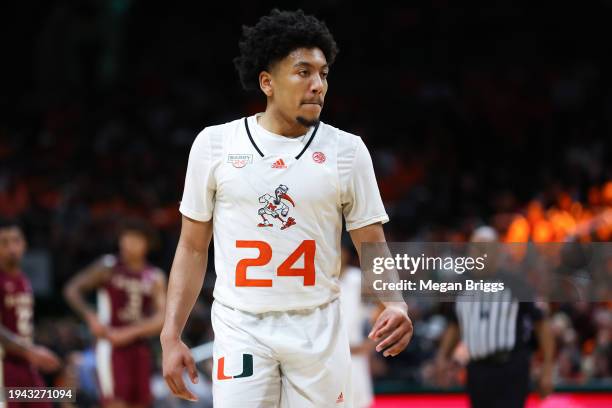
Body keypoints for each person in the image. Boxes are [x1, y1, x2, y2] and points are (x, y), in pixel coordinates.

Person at [160, 9, 413, 408]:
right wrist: (170, 335)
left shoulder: (347, 151)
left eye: (324, 74)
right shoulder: (215, 145)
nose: (318, 85)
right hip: (241, 325)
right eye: (303, 72)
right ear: (267, 82)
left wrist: (395, 302)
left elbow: (371, 242)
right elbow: (192, 248)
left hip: (318, 326)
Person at [435, 226, 555, 408]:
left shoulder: (516, 284)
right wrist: (442, 358)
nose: (479, 254)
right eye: (475, 248)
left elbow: (541, 324)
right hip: (477, 370)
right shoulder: (460, 286)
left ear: (498, 251)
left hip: (511, 368)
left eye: (485, 249)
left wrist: (547, 369)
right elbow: (455, 325)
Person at [64, 219, 167, 408]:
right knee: (115, 403)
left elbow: (163, 317)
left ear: (147, 244)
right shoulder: (108, 266)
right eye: (125, 238)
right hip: (110, 347)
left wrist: (130, 333)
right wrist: (90, 316)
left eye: (135, 239)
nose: (128, 244)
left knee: (142, 403)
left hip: (141, 347)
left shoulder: (155, 276)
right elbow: (72, 290)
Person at [0, 218, 61, 408]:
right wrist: (31, 352)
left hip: (26, 363)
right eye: (4, 242)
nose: (11, 248)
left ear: (24, 244)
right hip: (4, 364)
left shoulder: (24, 280)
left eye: (16, 241)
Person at [338, 242, 375, 408]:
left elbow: (381, 311)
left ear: (346, 253)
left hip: (354, 355)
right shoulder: (317, 279)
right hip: (322, 355)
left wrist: (372, 344)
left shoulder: (358, 279)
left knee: (358, 403)